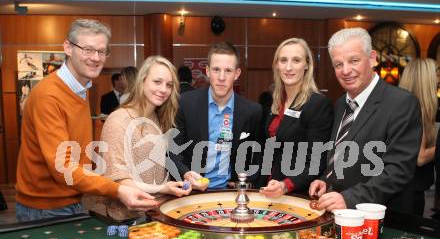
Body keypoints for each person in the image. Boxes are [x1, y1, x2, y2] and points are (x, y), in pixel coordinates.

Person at [15, 18, 158, 222]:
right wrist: (117, 190)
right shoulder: (48, 96)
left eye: (101, 51)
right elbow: (62, 167)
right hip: (45, 207)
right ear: (68, 48)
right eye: (87, 50)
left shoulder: (81, 89)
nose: (95, 58)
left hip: (73, 199)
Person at [309, 27, 422, 212]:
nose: (346, 70)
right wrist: (325, 180)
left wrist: (349, 198)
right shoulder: (339, 105)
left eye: (354, 60)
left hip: (383, 220)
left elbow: (398, 171)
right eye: (338, 64)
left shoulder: (402, 103)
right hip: (341, 216)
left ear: (372, 58)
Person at [100, 56, 191, 220]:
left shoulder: (158, 118)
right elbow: (119, 182)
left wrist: (187, 175)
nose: (163, 89)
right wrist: (163, 188)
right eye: (157, 82)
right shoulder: (118, 120)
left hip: (157, 213)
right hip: (126, 219)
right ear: (142, 82)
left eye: (169, 85)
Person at [172, 42, 262, 190]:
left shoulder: (252, 111)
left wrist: (246, 179)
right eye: (216, 70)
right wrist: (185, 173)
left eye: (228, 70)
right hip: (192, 192)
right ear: (207, 71)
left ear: (237, 74)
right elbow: (172, 151)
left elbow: (259, 155)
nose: (221, 77)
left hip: (232, 194)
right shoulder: (185, 104)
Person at [258, 38, 333, 198]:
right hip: (269, 189)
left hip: (296, 193)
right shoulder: (276, 101)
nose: (289, 67)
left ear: (307, 65)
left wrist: (285, 185)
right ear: (276, 65)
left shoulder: (317, 104)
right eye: (283, 60)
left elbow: (317, 162)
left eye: (296, 60)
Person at [397, 58, 438, 215]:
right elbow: (420, 158)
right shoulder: (416, 110)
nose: (438, 79)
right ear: (425, 80)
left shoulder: (401, 107)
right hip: (409, 192)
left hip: (402, 188)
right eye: (436, 74)